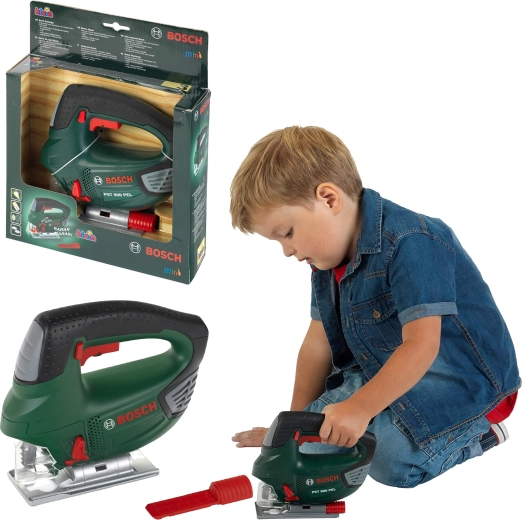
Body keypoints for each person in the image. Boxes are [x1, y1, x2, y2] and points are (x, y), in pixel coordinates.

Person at [229, 126, 520, 487]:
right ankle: (364, 413)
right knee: (315, 440)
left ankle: (479, 436)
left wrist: (360, 408)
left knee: (388, 460)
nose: (287, 251)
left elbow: (422, 344)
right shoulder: (325, 261)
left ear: (329, 199)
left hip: (462, 384)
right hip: (383, 366)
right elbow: (317, 344)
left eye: (287, 233)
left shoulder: (412, 241)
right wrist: (292, 428)